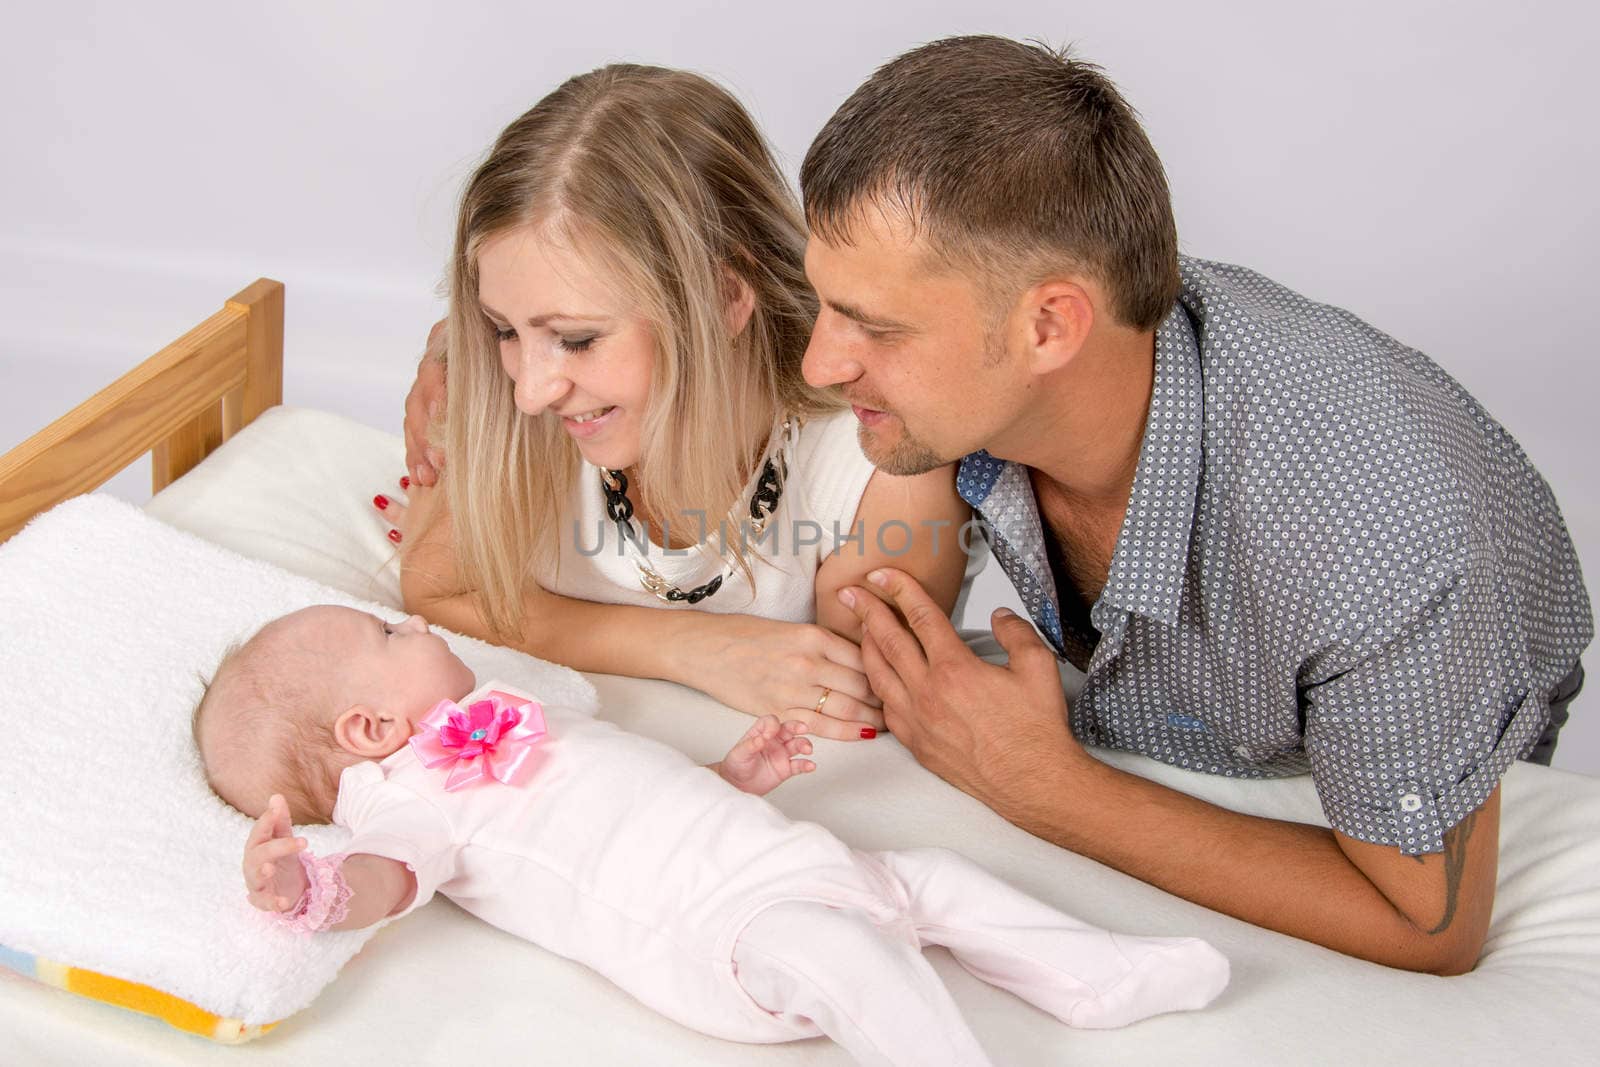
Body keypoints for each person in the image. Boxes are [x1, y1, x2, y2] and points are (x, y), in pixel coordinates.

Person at [795, 35, 1592, 975]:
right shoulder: (986, 378)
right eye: (828, 305)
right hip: (1156, 718)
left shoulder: (1384, 538)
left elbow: (1431, 924)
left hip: (1344, 776)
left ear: (1050, 324)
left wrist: (1044, 784)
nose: (820, 363)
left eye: (876, 327)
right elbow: (855, 617)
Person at [193, 605, 1231, 1066]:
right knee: (854, 957)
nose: (413, 624)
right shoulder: (410, 797)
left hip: (779, 857)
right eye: (387, 636)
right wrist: (309, 890)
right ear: (370, 731)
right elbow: (386, 878)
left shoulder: (514, 717)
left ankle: (1097, 973)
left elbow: (622, 796)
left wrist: (733, 775)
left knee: (939, 878)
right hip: (720, 931)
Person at [389, 64, 972, 743]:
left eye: (577, 339)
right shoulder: (498, 397)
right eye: (504, 330)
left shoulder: (877, 468)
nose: (529, 392)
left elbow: (848, 699)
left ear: (726, 296)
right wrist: (690, 646)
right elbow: (440, 589)